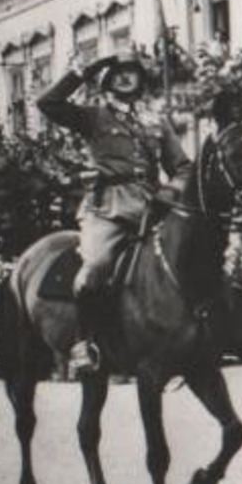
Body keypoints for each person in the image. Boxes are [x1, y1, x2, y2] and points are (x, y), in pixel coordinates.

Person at [36, 53, 191, 376]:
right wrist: (86, 70)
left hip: (154, 206)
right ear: (107, 81)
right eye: (117, 73)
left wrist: (171, 190)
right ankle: (86, 345)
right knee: (94, 268)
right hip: (108, 208)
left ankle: (195, 339)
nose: (124, 77)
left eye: (130, 72)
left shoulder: (156, 121)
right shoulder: (94, 117)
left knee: (189, 256)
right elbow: (48, 104)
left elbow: (182, 167)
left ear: (140, 79)